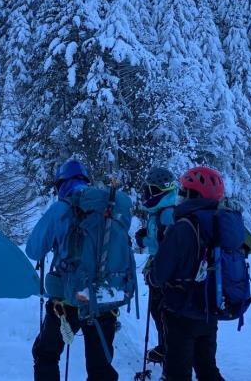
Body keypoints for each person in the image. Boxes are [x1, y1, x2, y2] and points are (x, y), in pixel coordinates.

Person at [26, 159, 120, 381]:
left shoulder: (59, 209)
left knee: (46, 355)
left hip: (67, 300)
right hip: (103, 300)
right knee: (100, 369)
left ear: (61, 184)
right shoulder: (108, 207)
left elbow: (33, 250)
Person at [150, 166, 233, 381]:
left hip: (181, 310)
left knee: (177, 373)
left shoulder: (183, 226)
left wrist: (151, 276)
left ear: (193, 194)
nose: (179, 196)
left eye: (183, 191)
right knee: (207, 369)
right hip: (210, 307)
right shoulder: (220, 221)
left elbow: (160, 272)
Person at [134, 167, 178, 364]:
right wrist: (146, 236)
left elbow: (166, 245)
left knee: (162, 312)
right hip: (160, 268)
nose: (146, 194)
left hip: (165, 272)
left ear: (159, 191)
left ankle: (169, 350)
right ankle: (166, 347)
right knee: (158, 310)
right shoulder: (162, 211)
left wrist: (143, 240)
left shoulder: (167, 214)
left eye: (149, 190)